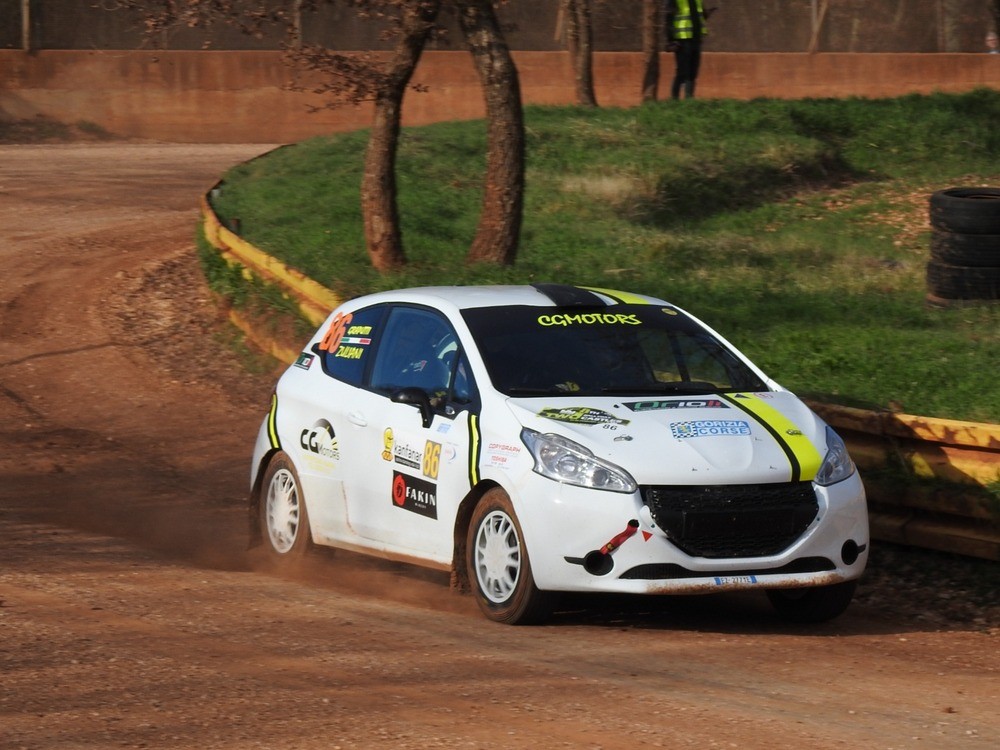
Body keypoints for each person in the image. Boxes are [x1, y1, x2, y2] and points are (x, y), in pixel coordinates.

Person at [666, 1, 717, 100]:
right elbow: (669, 18)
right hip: (682, 40)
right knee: (682, 72)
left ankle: (689, 99)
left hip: (696, 39)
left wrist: (708, 13)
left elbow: (699, 16)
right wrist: (671, 40)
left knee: (693, 72)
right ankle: (674, 100)